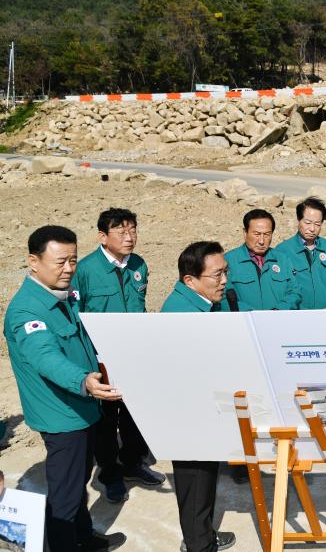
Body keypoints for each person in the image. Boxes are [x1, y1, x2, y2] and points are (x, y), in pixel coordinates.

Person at [3, 225, 125, 551]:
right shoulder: (27, 310)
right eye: (60, 262)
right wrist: (83, 381)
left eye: (73, 260)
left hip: (82, 407)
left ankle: (83, 537)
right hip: (62, 416)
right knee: (65, 496)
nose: (69, 269)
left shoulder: (62, 295)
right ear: (33, 261)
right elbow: (45, 357)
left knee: (78, 482)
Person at [72, 208, 165, 504]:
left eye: (133, 230)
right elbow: (76, 317)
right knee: (106, 420)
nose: (130, 237)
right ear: (103, 236)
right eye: (121, 232)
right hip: (101, 358)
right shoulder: (84, 270)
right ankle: (110, 474)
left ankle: (133, 462)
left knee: (134, 413)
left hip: (134, 354)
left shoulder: (139, 264)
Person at [162, 242, 237, 552]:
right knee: (194, 480)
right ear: (190, 280)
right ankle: (198, 545)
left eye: (225, 272)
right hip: (189, 415)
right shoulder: (181, 315)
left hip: (205, 408)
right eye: (216, 274)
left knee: (206, 477)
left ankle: (202, 534)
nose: (224, 281)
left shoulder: (204, 304)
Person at [274, 197, 326, 309]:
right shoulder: (283, 251)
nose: (312, 229)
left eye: (317, 224)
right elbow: (280, 289)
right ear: (298, 220)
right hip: (298, 318)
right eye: (307, 223)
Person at [225, 209, 300, 311]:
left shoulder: (282, 259)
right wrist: (251, 314)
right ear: (245, 232)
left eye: (267, 234)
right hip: (244, 322)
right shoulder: (228, 261)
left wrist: (278, 310)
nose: (261, 241)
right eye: (256, 234)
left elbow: (294, 292)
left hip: (279, 321)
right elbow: (222, 297)